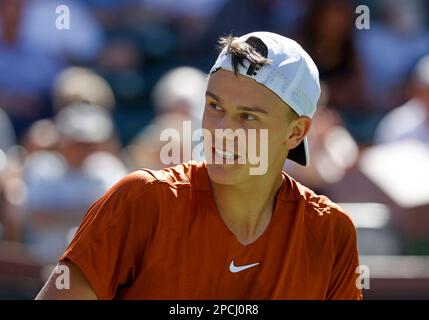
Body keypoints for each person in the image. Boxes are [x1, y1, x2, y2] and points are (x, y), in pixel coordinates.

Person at [36, 31, 362, 300]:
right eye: (215, 106)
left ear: (295, 132)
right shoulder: (141, 200)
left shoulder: (330, 232)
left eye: (248, 117)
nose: (221, 131)